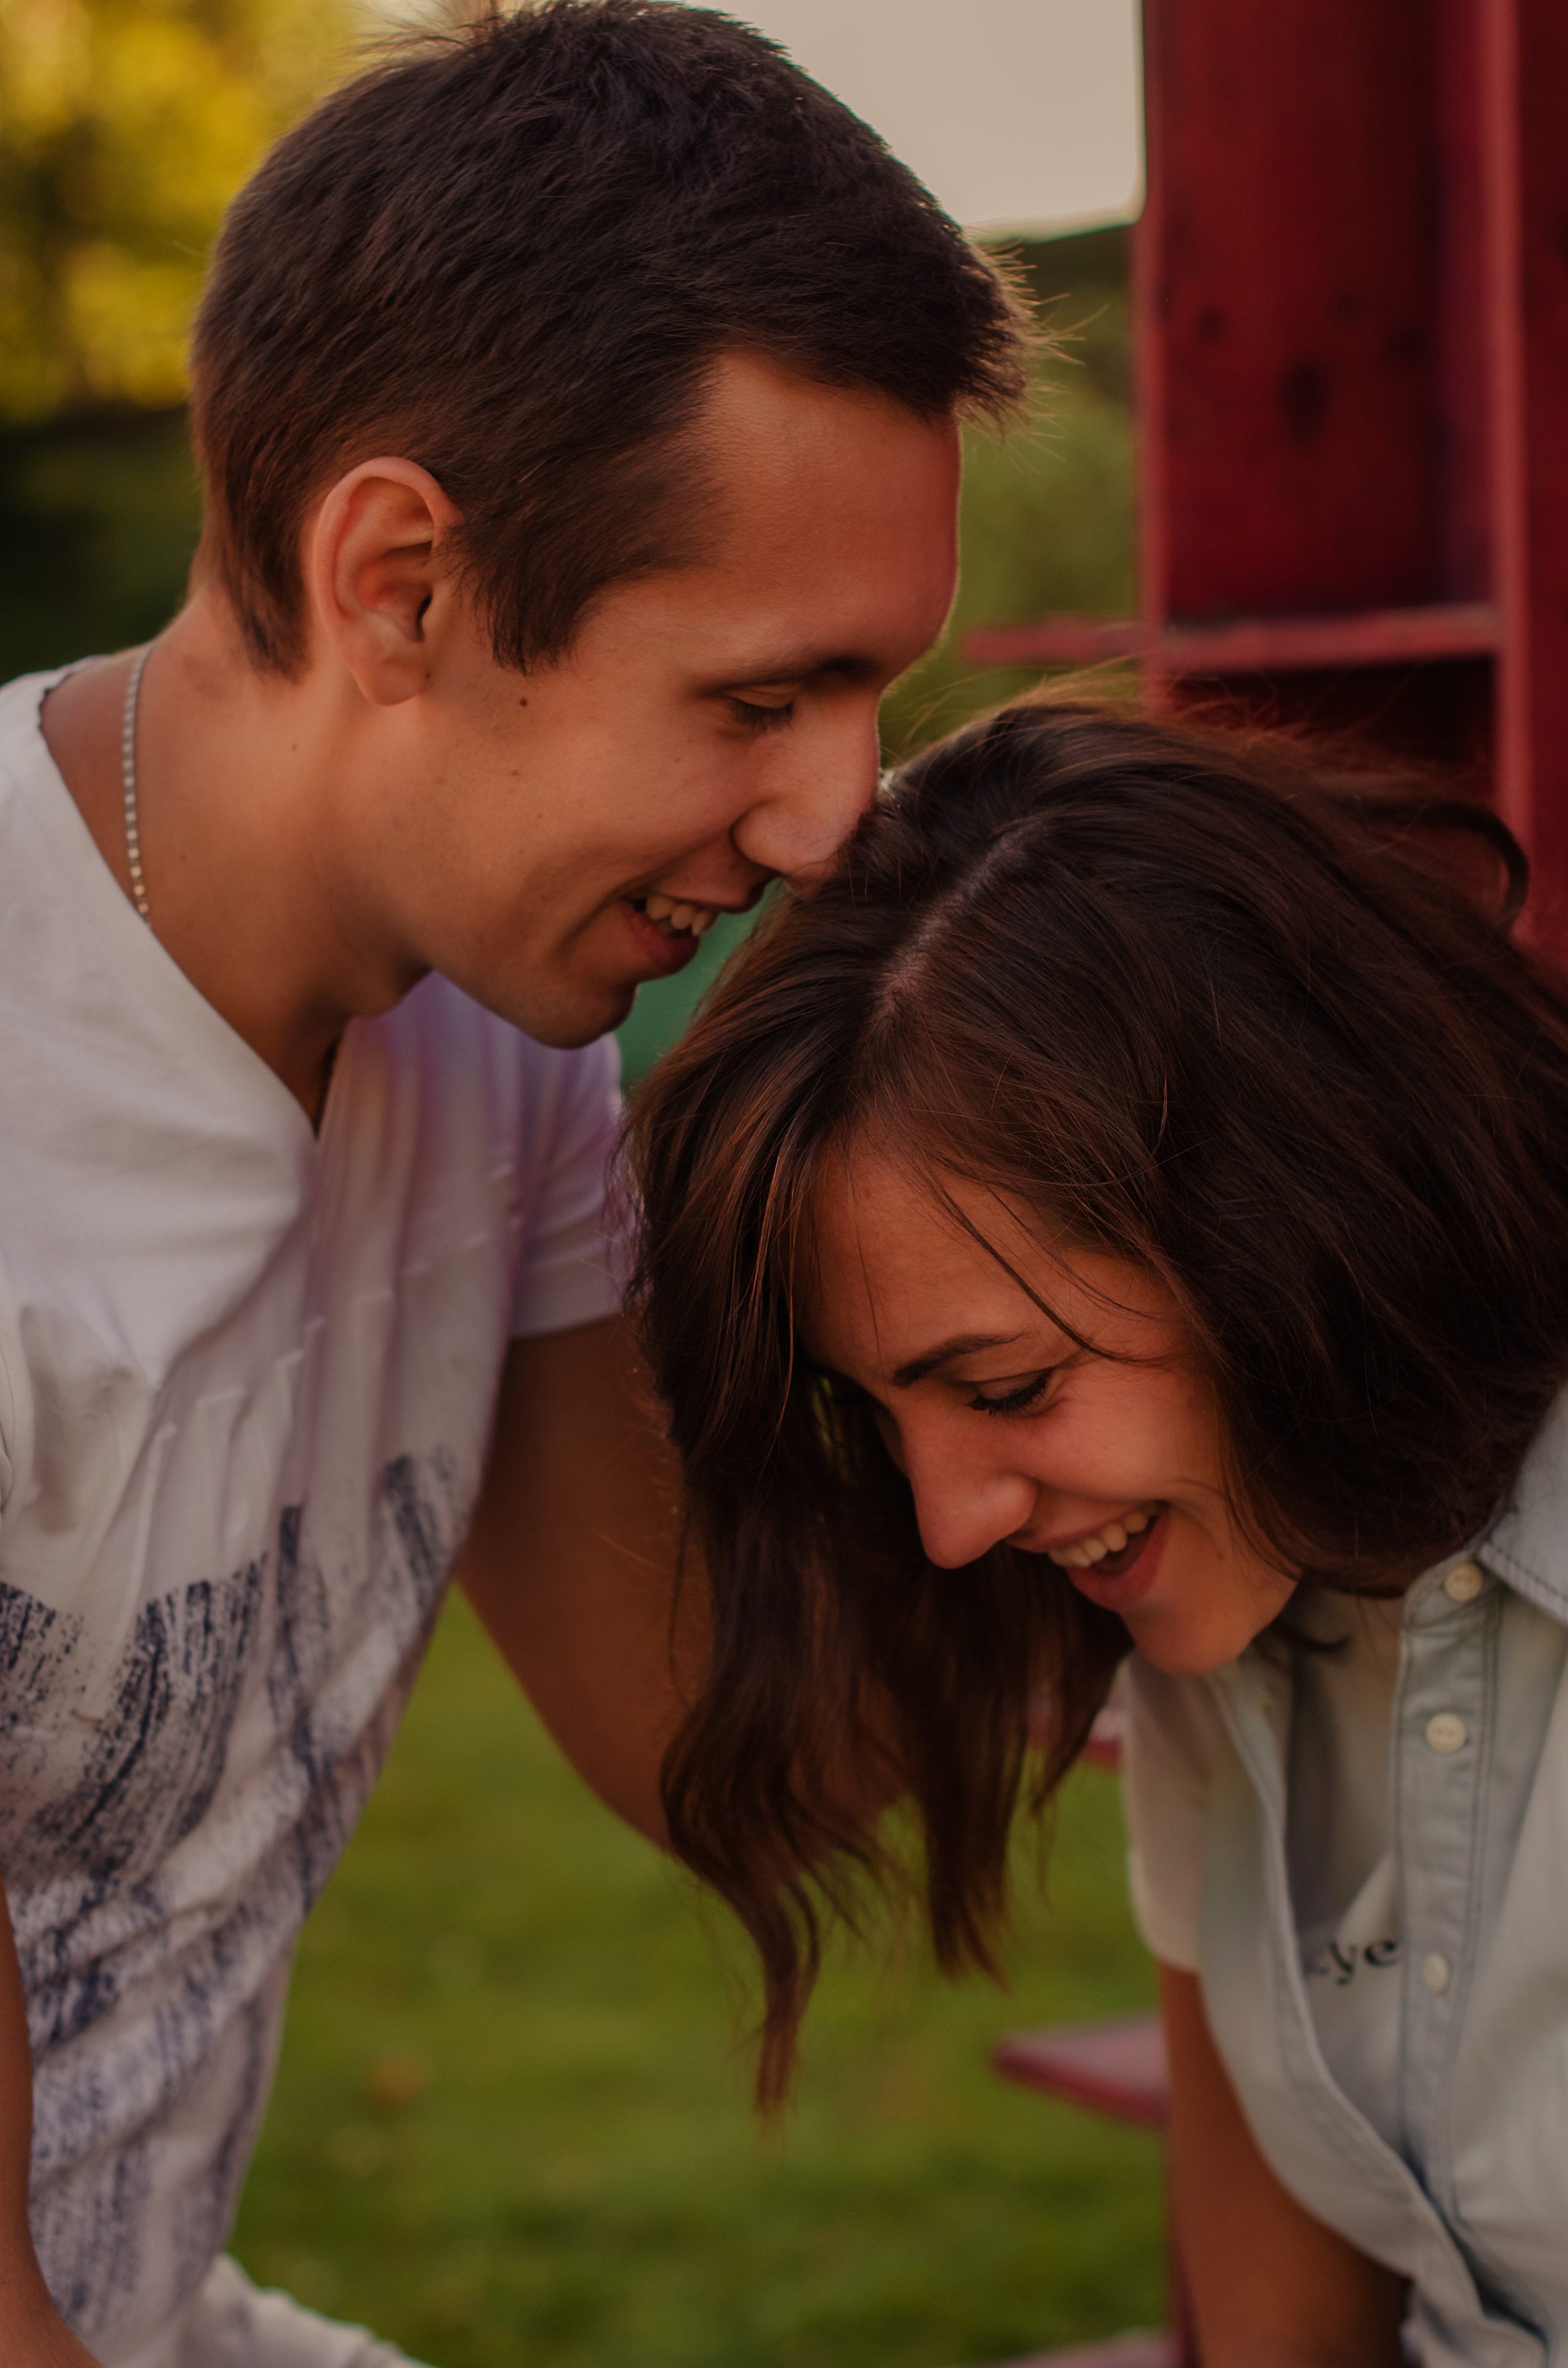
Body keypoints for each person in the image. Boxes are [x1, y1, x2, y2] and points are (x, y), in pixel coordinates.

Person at [0, 6, 1028, 2361]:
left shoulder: (491, 1046)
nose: (830, 821)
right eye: (762, 700)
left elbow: (729, 1738)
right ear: (400, 583)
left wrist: (1101, 1373)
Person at [627, 698, 1568, 2367]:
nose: (949, 1524)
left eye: (1009, 1384)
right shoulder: (1228, 1600)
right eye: (885, 1414)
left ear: (1290, 1214)